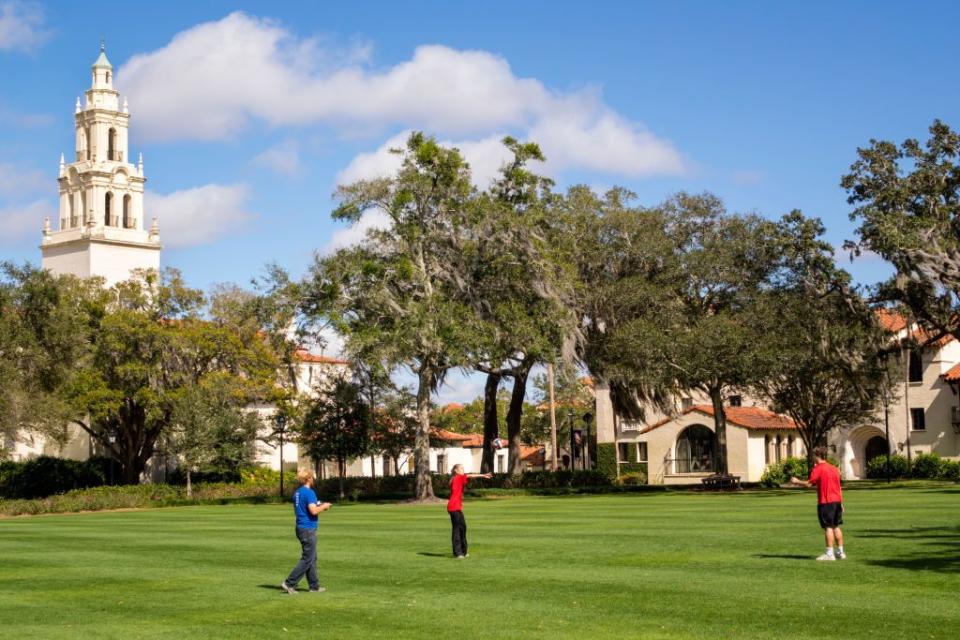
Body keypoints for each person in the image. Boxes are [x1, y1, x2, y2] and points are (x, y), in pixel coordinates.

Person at [281, 469, 332, 594]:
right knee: (307, 558)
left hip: (300, 527)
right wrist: (324, 507)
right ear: (309, 479)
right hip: (308, 528)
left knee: (312, 557)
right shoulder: (309, 492)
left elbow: (306, 506)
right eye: (312, 477)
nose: (313, 479)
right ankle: (289, 583)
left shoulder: (297, 493)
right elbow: (313, 511)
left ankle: (314, 586)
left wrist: (319, 505)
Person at [791, 445, 846, 561]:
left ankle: (829, 554)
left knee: (828, 527)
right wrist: (841, 503)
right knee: (835, 526)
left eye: (812, 455)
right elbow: (839, 487)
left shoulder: (818, 469)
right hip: (836, 501)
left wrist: (796, 481)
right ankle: (841, 552)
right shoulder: (834, 468)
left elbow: (808, 484)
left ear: (817, 455)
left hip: (826, 502)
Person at [447, 464, 492, 559]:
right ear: (456, 470)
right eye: (461, 468)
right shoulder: (458, 478)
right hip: (453, 507)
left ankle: (464, 551)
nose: (463, 470)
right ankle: (458, 553)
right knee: (457, 529)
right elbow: (470, 475)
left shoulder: (457, 478)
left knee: (463, 527)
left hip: (457, 507)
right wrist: (483, 475)